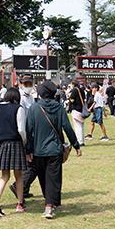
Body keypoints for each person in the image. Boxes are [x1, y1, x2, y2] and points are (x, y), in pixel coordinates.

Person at [25, 81, 82, 219]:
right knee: (54, 177)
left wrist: (28, 150)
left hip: (38, 150)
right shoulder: (60, 108)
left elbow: (29, 131)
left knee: (43, 177)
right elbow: (67, 128)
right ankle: (51, 203)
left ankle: (49, 203)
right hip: (55, 149)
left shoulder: (34, 108)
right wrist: (76, 145)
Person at [0, 87, 27, 217]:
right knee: (19, 175)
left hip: (1, 145)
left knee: (4, 176)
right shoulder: (18, 108)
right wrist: (25, 143)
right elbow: (21, 129)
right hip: (16, 144)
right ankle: (20, 204)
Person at [9, 73, 37, 200]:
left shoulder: (31, 96)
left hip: (31, 133)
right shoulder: (20, 98)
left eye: (30, 84)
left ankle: (24, 189)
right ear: (20, 84)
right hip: (23, 134)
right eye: (26, 84)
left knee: (29, 163)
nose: (28, 86)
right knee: (31, 164)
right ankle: (20, 186)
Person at [68, 80, 86, 147]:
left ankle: (79, 141)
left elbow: (72, 100)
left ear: (73, 85)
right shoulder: (82, 90)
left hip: (76, 109)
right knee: (81, 126)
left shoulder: (74, 91)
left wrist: (69, 96)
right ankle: (82, 140)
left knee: (77, 126)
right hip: (81, 110)